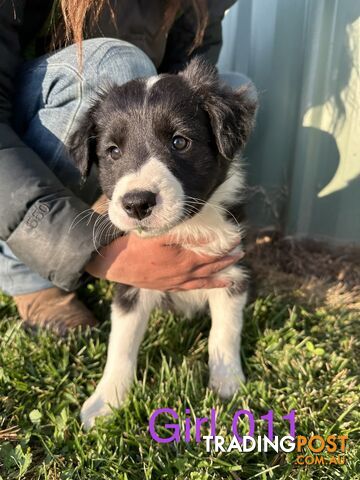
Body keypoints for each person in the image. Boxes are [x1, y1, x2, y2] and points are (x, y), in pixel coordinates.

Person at [0, 0, 244, 334]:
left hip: (131, 139)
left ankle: (165, 235)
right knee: (117, 65)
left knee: (235, 86)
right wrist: (105, 256)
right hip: (21, 123)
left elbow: (184, 90)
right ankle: (29, 278)